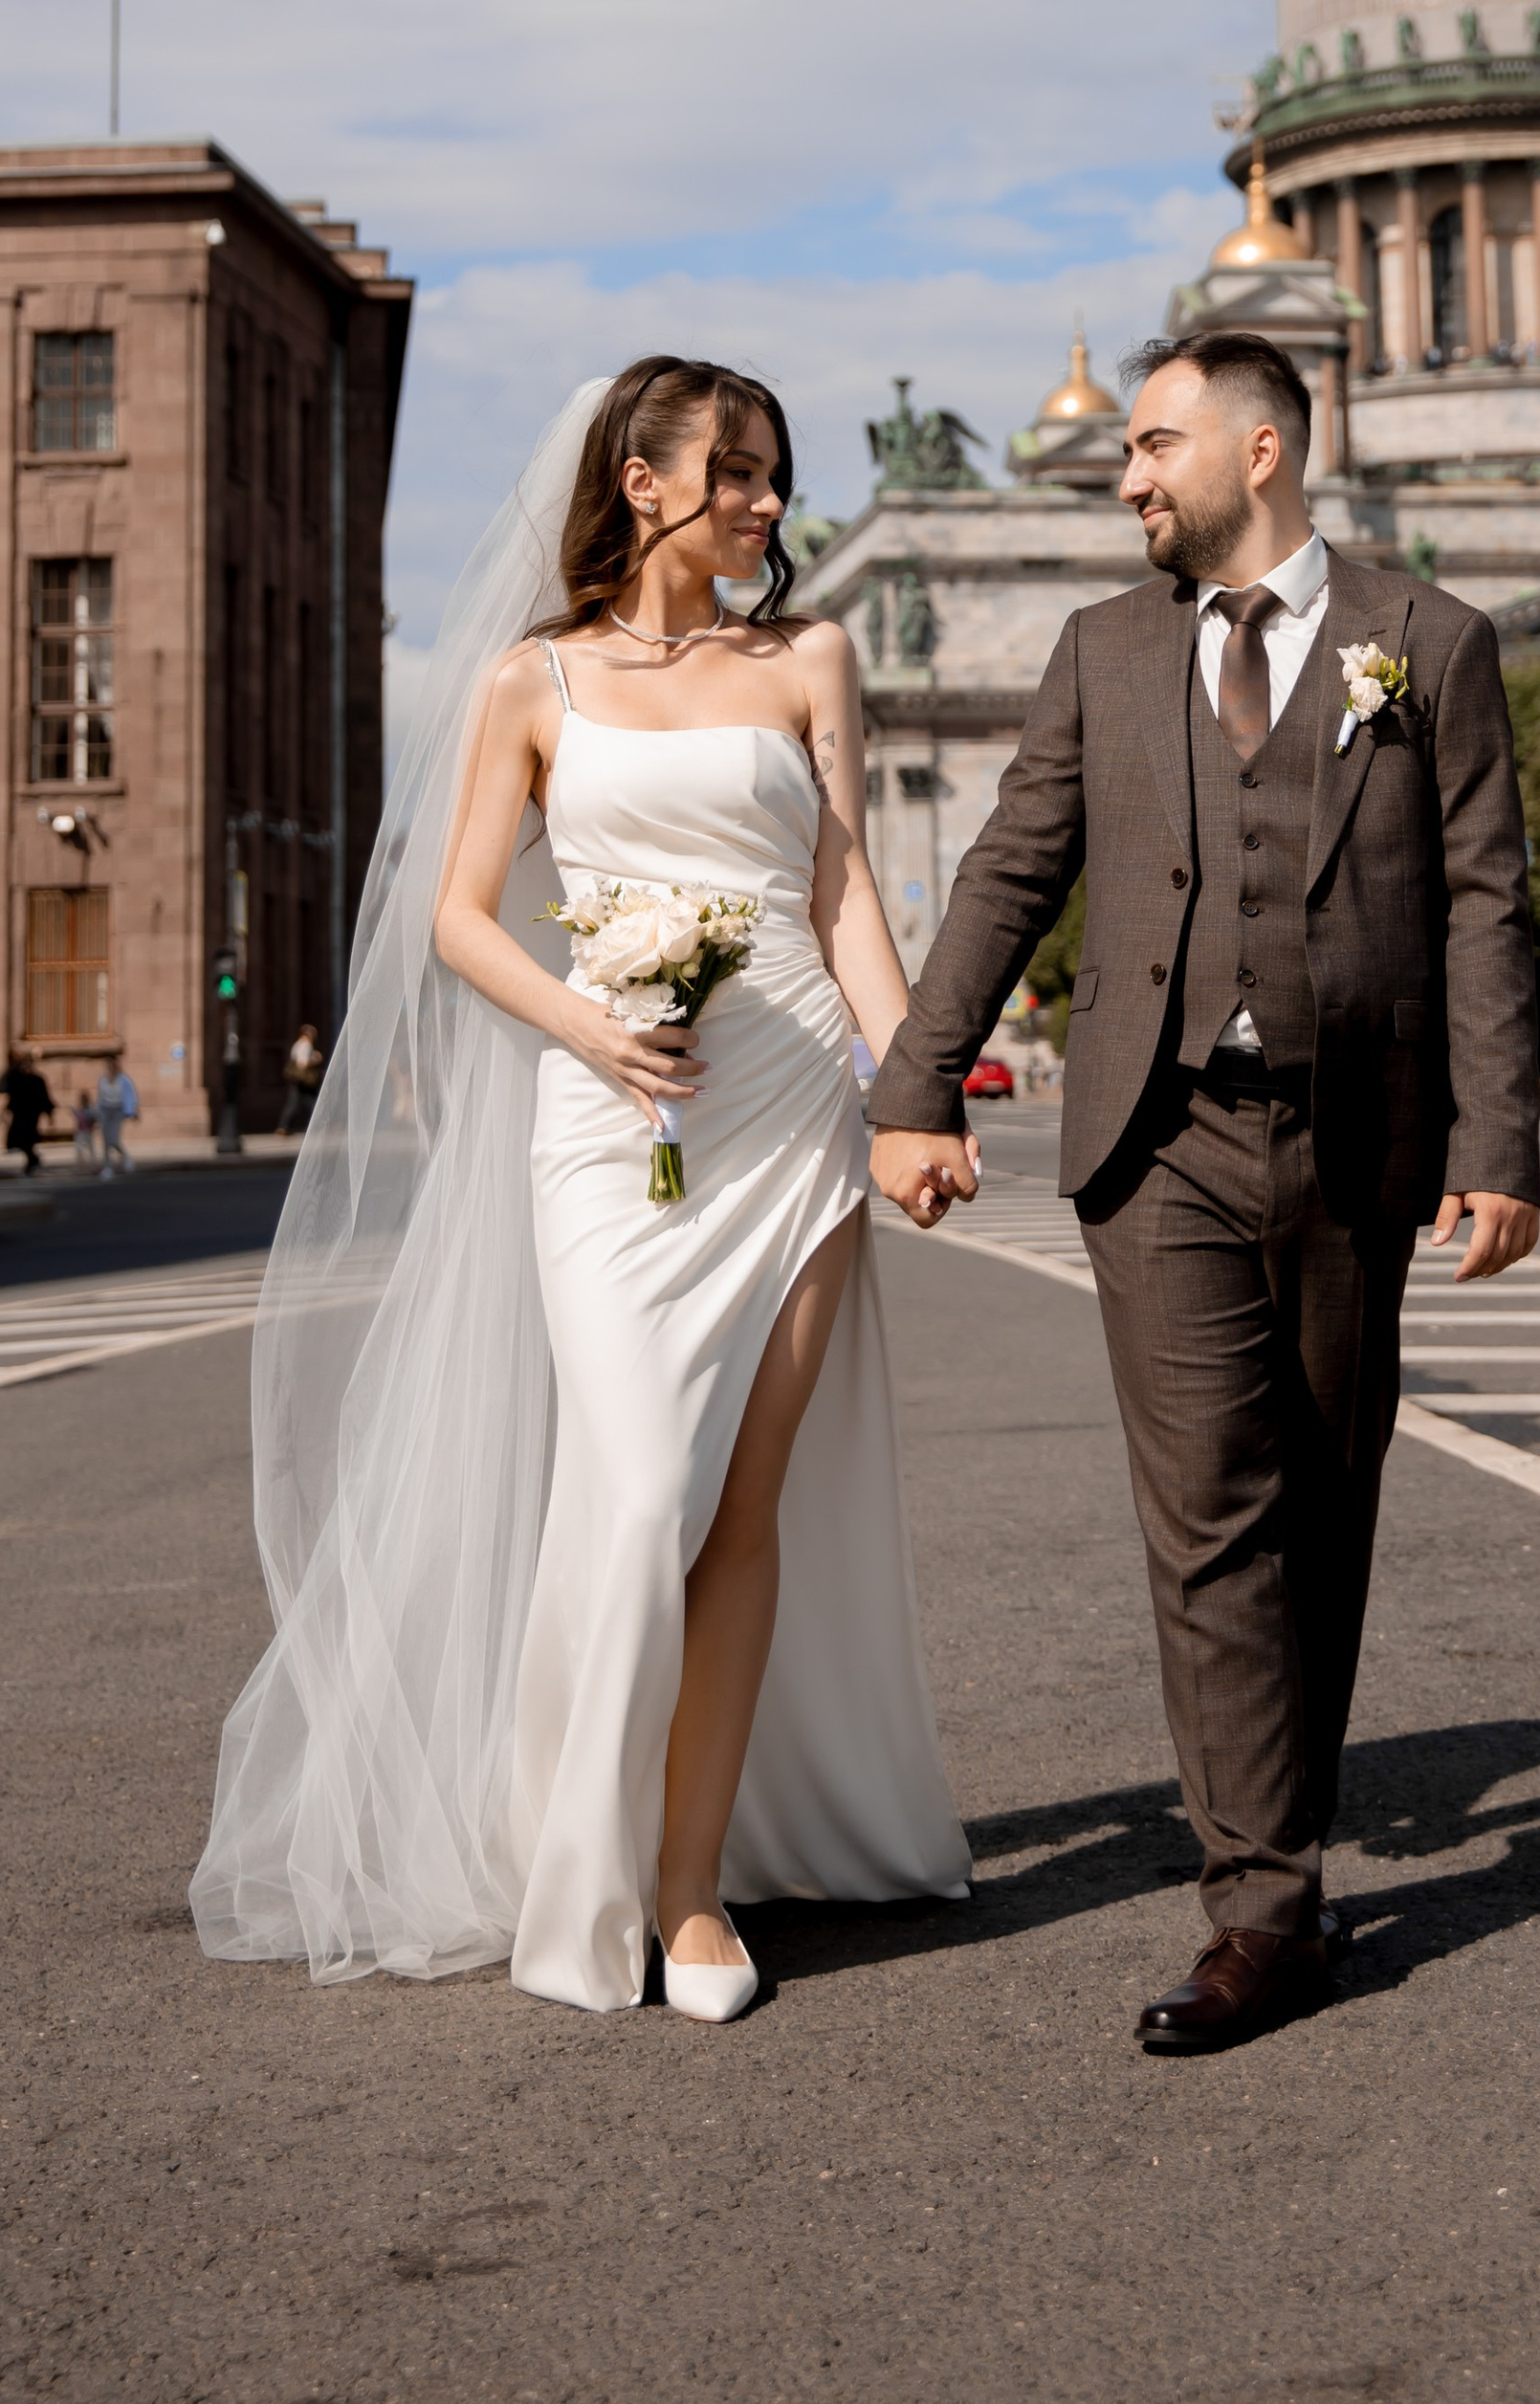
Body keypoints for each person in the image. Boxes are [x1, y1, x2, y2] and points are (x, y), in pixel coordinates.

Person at [192, 360, 966, 2019]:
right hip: (609, 1126)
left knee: (742, 1513)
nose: (768, 501)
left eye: (774, 472)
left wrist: (916, 1095)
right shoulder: (531, 681)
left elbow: (840, 894)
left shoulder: (810, 657)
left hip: (785, 1118)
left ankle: (690, 1894)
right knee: (626, 1501)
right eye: (740, 471)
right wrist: (591, 1026)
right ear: (644, 481)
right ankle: (576, 1860)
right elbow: (462, 915)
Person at [869, 329, 1540, 2052]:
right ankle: (1264, 1911)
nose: (1125, 473)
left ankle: (1279, 1841)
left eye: (1154, 445)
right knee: (1212, 1521)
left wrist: (1497, 1147)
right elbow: (1010, 868)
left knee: (1326, 1505)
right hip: (1153, 1142)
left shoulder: (1431, 644)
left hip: (1360, 1140)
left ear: (1262, 450)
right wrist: (918, 1081)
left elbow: (1483, 908)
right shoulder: (1101, 653)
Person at [0, 1052, 53, 1172]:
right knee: (18, 1141)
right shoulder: (15, 1078)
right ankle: (33, 1160)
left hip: (31, 1115)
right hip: (18, 1114)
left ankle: (32, 1162)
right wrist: (10, 1068)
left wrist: (49, 1114)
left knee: (27, 1139)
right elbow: (1, 1088)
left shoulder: (37, 1079)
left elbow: (45, 1097)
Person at [277, 1024, 324, 1136]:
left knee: (299, 1102)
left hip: (298, 1080)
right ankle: (313, 1125)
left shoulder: (297, 1044)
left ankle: (285, 1126)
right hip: (303, 1079)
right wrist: (315, 1058)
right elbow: (302, 1063)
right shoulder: (305, 1045)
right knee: (307, 1102)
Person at [95, 1056, 138, 1172]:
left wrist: (132, 1111)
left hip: (117, 1110)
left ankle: (126, 1158)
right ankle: (107, 1166)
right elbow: (99, 1097)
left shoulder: (123, 1080)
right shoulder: (102, 1080)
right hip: (105, 1110)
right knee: (105, 1140)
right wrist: (96, 1113)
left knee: (113, 1139)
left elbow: (130, 1095)